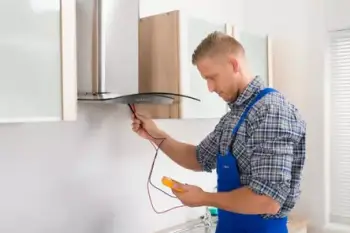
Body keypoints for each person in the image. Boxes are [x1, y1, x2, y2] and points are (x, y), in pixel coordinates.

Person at [131, 31, 306, 233]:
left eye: (212, 77)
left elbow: (268, 200)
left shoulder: (270, 111)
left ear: (233, 65)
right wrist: (154, 134)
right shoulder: (234, 116)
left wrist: (203, 198)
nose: (210, 88)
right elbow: (198, 158)